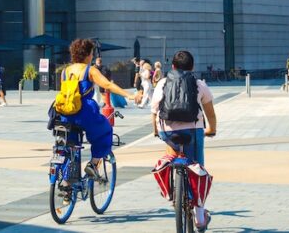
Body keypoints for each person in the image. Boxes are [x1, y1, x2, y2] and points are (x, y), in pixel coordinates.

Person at [58, 39, 141, 181]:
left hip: (66, 113)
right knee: (105, 132)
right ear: (88, 55)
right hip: (85, 112)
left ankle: (67, 184)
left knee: (69, 145)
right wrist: (129, 95)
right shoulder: (90, 70)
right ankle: (93, 163)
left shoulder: (65, 72)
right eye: (91, 53)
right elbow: (107, 85)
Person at [151, 50, 217, 230]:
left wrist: (156, 130)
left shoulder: (163, 83)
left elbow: (155, 109)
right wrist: (211, 129)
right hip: (193, 130)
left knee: (171, 155)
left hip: (168, 131)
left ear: (172, 67)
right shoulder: (198, 84)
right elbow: (210, 112)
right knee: (197, 168)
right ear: (192, 67)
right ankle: (200, 217)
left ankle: (173, 194)